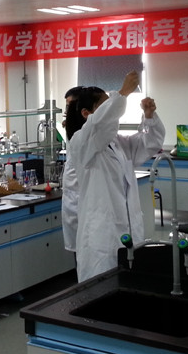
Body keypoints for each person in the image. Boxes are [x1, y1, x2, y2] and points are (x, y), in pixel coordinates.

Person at [69, 71, 166, 282]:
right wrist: (122, 94)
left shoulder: (118, 143)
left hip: (128, 228)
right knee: (101, 288)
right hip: (102, 235)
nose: (112, 111)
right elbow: (99, 124)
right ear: (86, 113)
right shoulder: (81, 143)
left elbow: (150, 143)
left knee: (128, 284)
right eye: (105, 106)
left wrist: (149, 118)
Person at [61, 85, 103, 259]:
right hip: (75, 200)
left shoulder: (92, 136)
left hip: (87, 201)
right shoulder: (76, 134)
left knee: (90, 254)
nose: (67, 111)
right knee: (82, 255)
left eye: (70, 105)